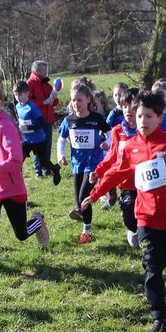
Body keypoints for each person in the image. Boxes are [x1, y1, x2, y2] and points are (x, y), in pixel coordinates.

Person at [84, 91, 166, 332]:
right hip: (146, 218)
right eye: (139, 116)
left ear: (160, 118)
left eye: (149, 116)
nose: (143, 121)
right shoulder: (131, 147)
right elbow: (116, 173)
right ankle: (159, 318)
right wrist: (95, 194)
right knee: (152, 267)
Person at [0, 81, 50, 303]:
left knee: (21, 233)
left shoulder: (6, 127)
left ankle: (37, 222)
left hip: (10, 188)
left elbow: (15, 161)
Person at [58, 83, 112, 243]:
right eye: (73, 100)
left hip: (93, 163)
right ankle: (85, 227)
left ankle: (86, 232)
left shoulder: (95, 118)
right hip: (77, 164)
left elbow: (110, 132)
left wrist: (107, 143)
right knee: (80, 202)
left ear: (88, 99)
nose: (76, 103)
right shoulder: (69, 120)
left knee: (83, 197)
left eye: (80, 100)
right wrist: (61, 155)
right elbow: (61, 139)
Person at [92, 87, 142, 248]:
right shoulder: (117, 131)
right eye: (124, 106)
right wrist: (99, 171)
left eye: (131, 107)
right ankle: (134, 229)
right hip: (127, 183)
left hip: (146, 183)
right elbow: (112, 156)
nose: (128, 111)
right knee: (129, 215)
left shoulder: (147, 129)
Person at [13, 81, 61, 185]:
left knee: (43, 163)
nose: (17, 97)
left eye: (20, 94)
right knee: (19, 160)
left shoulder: (32, 107)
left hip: (38, 140)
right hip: (26, 141)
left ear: (27, 93)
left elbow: (41, 122)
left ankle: (55, 169)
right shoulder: (17, 106)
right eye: (15, 94)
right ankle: (17, 181)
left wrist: (28, 127)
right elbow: (21, 120)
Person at [26, 60, 60, 176]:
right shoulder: (29, 84)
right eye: (43, 70)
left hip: (48, 119)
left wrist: (54, 98)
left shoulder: (47, 84)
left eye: (46, 69)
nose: (46, 72)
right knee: (38, 146)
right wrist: (44, 102)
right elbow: (27, 102)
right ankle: (38, 171)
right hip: (37, 120)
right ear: (36, 70)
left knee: (47, 146)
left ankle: (47, 169)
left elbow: (53, 102)